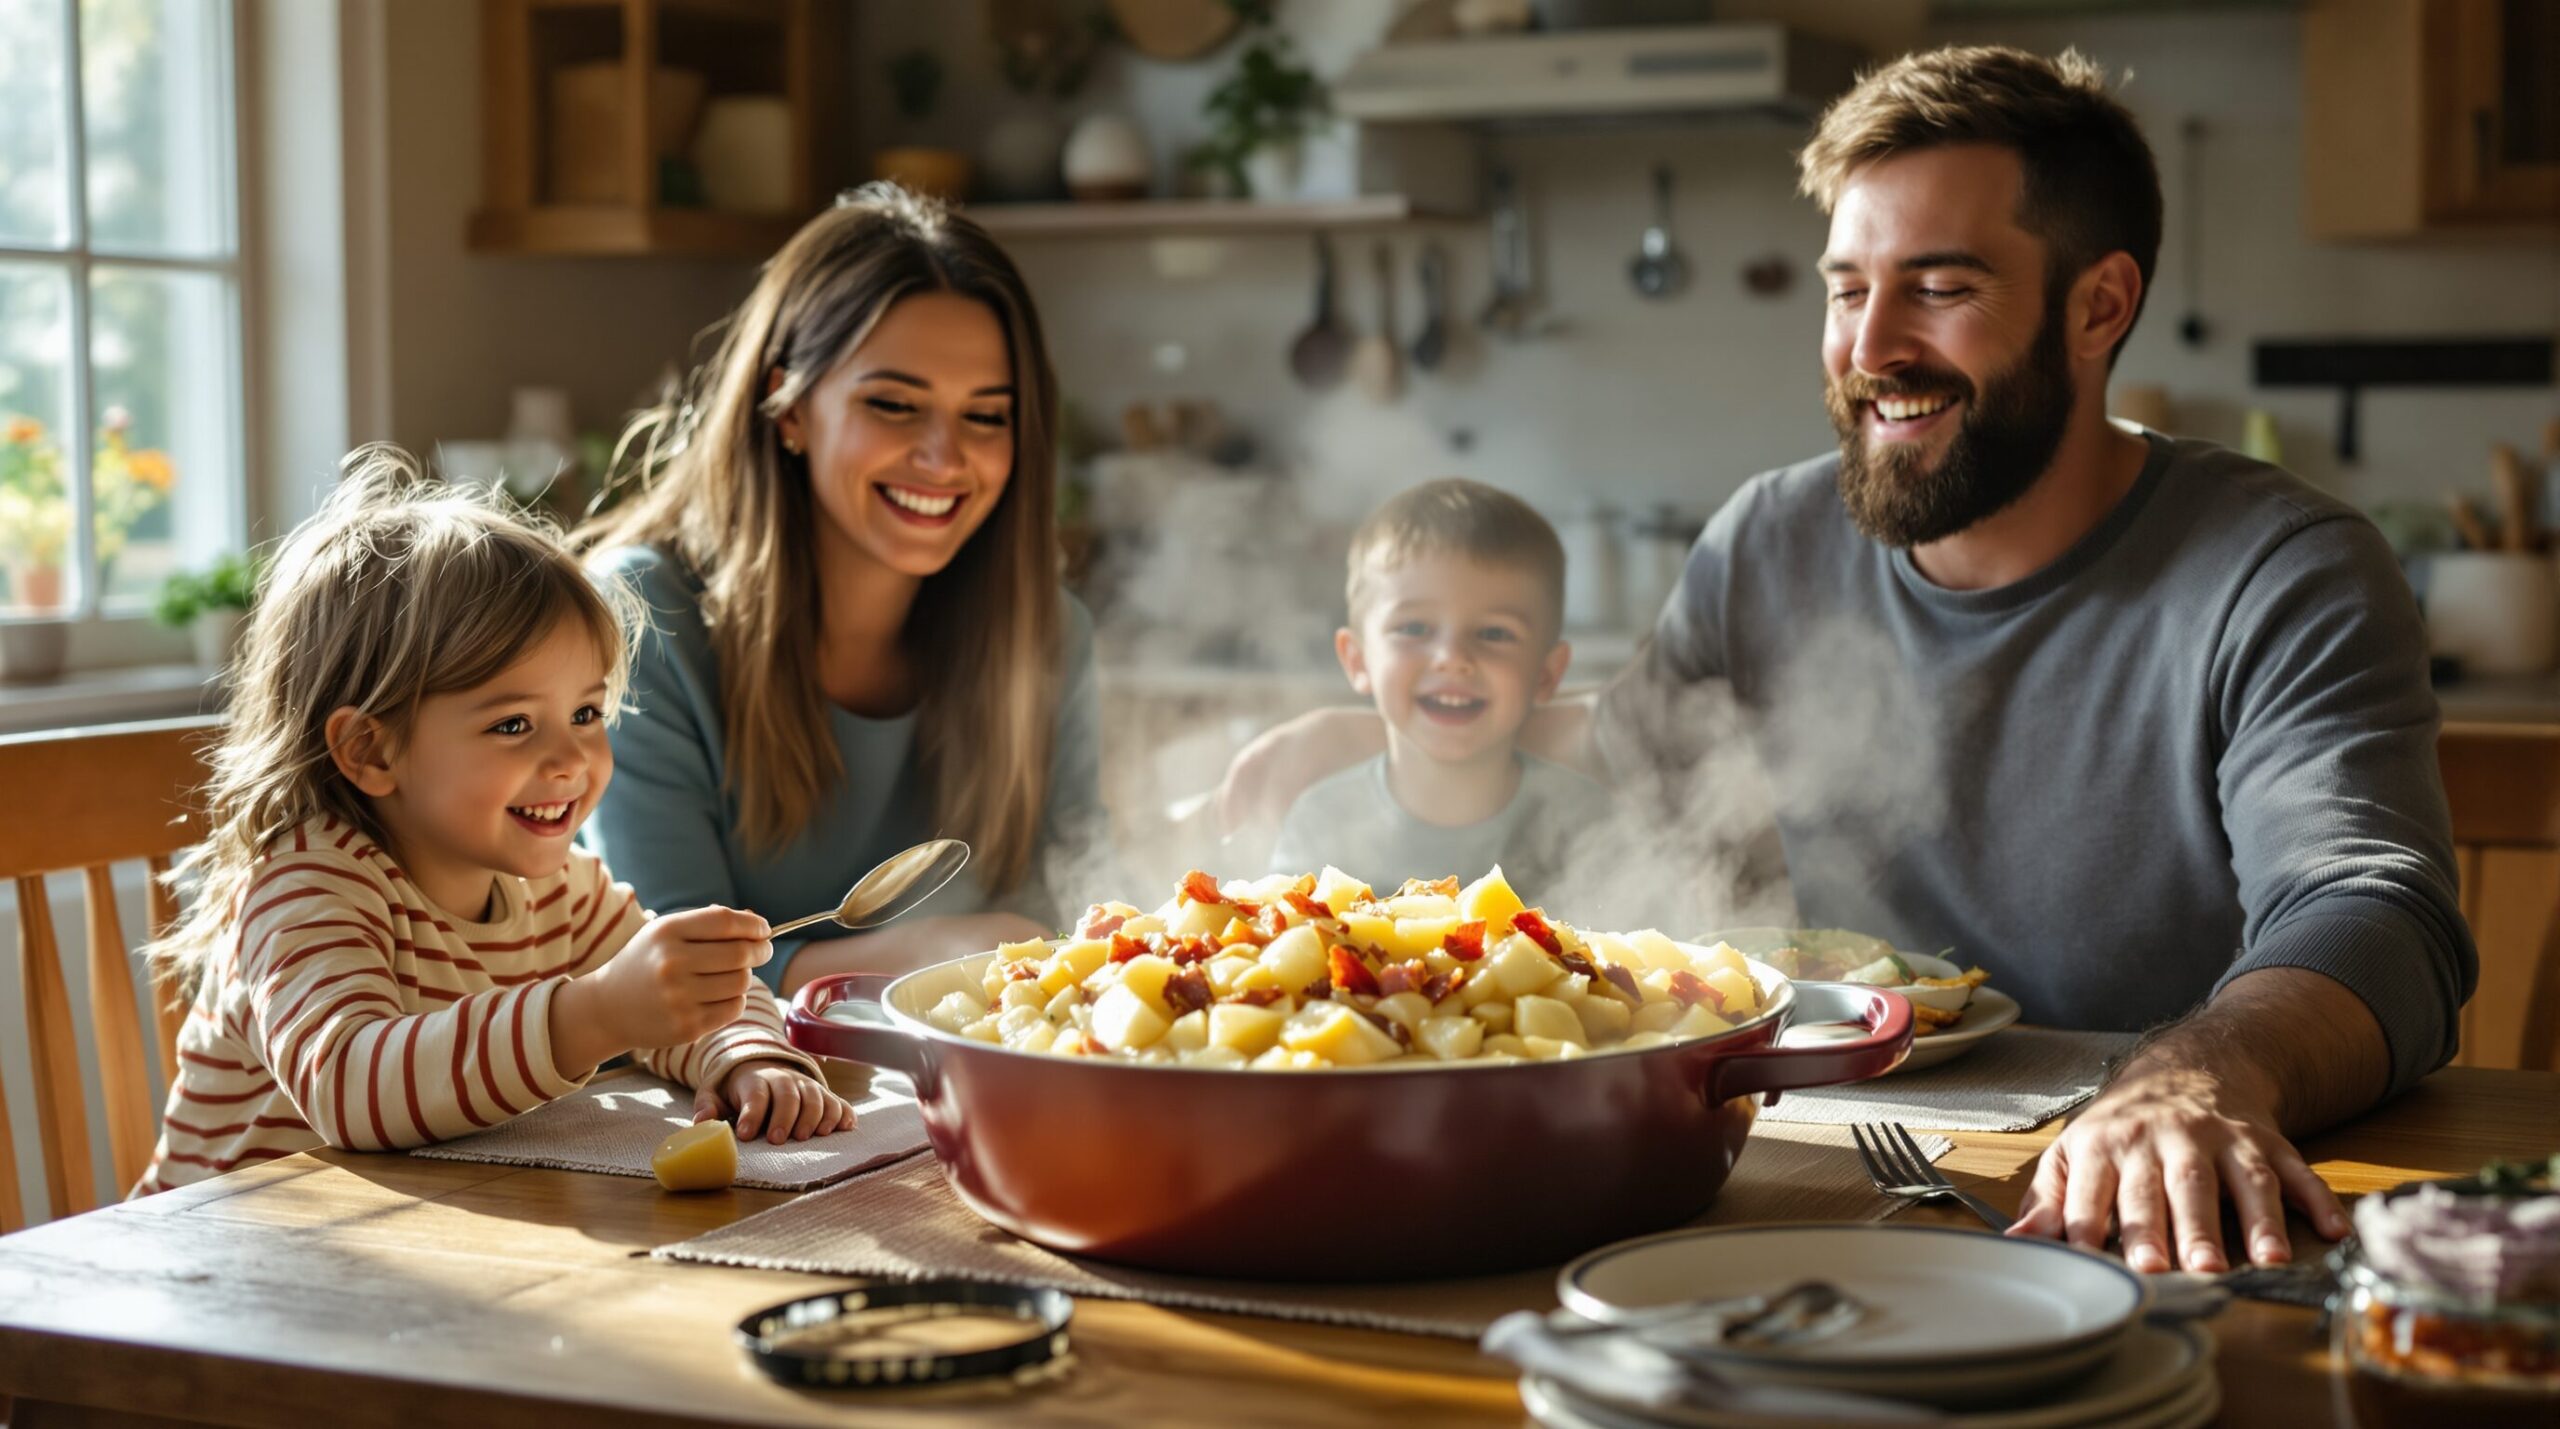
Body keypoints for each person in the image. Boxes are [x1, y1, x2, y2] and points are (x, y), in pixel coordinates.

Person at [1219, 46, 2474, 1275]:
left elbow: (2375, 910)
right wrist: (1367, 733)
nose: (1869, 346)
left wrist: (2196, 1076)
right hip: (1835, 1172)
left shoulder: (2279, 569)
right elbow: (1634, 745)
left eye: (1939, 287)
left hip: (2141, 1202)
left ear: (2098, 306)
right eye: (1845, 289)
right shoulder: (1768, 538)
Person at [136, 450, 853, 1195]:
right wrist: (597, 1013)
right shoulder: (305, 886)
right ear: (370, 750)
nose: (571, 759)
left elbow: (678, 993)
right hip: (225, 1246)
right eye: (513, 724)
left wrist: (745, 1055)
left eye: (586, 713)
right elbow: (348, 1087)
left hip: (421, 1233)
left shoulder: (562, 890)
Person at [579, 184, 1102, 997]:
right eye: (893, 404)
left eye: (986, 416)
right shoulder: (641, 616)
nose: (945, 457)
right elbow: (664, 966)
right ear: (788, 407)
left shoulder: (1048, 635)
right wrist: (918, 953)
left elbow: (1077, 904)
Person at [1267, 478, 1610, 896]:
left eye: (1494, 633)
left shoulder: (1591, 825)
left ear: (1547, 674)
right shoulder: (1323, 821)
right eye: (1414, 628)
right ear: (1357, 660)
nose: (1452, 657)